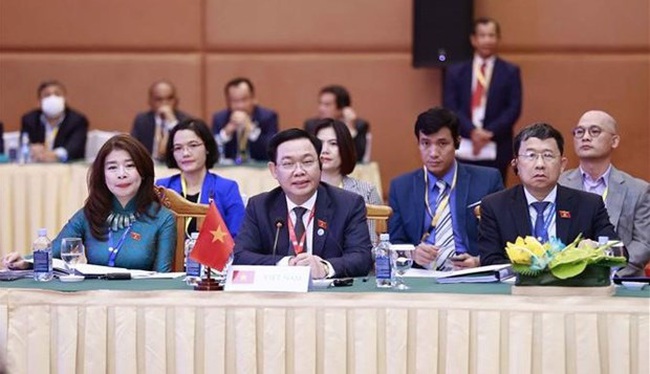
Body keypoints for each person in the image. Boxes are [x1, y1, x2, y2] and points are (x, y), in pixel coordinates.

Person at [3, 134, 177, 272]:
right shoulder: (89, 213)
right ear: (102, 176)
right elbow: (53, 252)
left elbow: (162, 278)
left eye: (130, 166)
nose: (121, 174)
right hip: (94, 303)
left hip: (139, 304)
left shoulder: (163, 219)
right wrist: (25, 262)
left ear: (143, 172)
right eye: (112, 167)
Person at [233, 128, 373, 279]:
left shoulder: (349, 204)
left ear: (320, 164)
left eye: (307, 162)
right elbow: (241, 256)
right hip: (276, 297)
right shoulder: (259, 206)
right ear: (274, 170)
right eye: (288, 164)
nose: (299, 171)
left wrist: (325, 268)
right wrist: (287, 264)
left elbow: (362, 258)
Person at [479, 122, 618, 266]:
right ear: (516, 164)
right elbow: (490, 261)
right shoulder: (495, 206)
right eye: (531, 155)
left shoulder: (589, 205)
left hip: (572, 287)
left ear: (562, 165)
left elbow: (619, 252)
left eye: (548, 155)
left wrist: (595, 249)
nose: (540, 164)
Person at [388, 107, 504, 271]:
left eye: (442, 143)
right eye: (426, 143)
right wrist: (412, 254)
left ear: (457, 142)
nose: (433, 153)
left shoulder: (487, 180)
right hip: (421, 276)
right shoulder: (401, 187)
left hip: (471, 274)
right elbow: (394, 243)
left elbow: (501, 239)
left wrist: (479, 261)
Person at [559, 110, 650, 276]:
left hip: (619, 279)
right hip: (565, 280)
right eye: (579, 132)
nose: (585, 137)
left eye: (594, 131)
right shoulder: (559, 184)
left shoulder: (638, 190)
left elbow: (643, 244)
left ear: (614, 141)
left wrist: (609, 269)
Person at [443, 17, 522, 181]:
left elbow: (514, 108)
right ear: (473, 39)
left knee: (494, 195)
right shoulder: (456, 71)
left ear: (498, 39)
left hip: (497, 144)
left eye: (491, 35)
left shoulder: (510, 71)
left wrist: (487, 133)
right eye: (482, 35)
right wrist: (472, 131)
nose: (487, 40)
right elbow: (451, 106)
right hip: (463, 143)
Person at [156, 118, 245, 238]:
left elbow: (239, 237)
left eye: (193, 145)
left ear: (207, 147)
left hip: (214, 256)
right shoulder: (163, 188)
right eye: (178, 148)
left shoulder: (226, 188)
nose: (185, 153)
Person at [313, 118, 383, 241]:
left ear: (345, 148)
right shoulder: (301, 191)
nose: (324, 150)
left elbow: (373, 246)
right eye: (319, 144)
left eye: (333, 144)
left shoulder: (366, 191)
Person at [211, 77, 278, 162]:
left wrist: (251, 129)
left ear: (253, 99)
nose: (240, 106)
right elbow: (211, 152)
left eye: (244, 99)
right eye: (235, 101)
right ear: (228, 102)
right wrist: (226, 133)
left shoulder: (268, 117)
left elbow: (273, 151)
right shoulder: (220, 119)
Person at [20, 80, 89, 162]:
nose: (52, 98)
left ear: (65, 99)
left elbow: (74, 148)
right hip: (37, 165)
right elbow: (24, 143)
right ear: (39, 102)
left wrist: (55, 155)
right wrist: (31, 149)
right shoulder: (29, 120)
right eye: (47, 95)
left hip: (67, 168)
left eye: (57, 94)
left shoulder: (78, 121)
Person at [304, 85, 371, 163]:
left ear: (342, 108)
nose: (321, 108)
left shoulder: (359, 125)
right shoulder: (311, 125)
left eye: (327, 105)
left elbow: (358, 157)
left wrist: (350, 129)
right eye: (320, 103)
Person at [130, 80, 191, 161]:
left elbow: (188, 146)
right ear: (150, 101)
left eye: (169, 98)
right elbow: (133, 149)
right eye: (159, 99)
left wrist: (173, 123)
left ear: (176, 101)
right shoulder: (142, 120)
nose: (164, 103)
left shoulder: (185, 120)